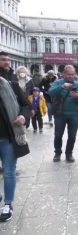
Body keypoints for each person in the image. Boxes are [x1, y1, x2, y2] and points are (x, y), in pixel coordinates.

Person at [0, 51, 31, 222]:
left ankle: (8, 204)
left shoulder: (12, 84)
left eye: (7, 60)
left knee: (9, 171)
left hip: (8, 135)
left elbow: (25, 104)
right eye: (3, 59)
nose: (6, 62)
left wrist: (23, 116)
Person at [48, 65, 78, 163]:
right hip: (60, 114)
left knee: (72, 136)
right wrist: (62, 86)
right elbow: (50, 92)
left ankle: (69, 153)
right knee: (58, 135)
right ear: (64, 74)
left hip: (73, 114)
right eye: (68, 74)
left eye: (72, 74)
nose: (70, 76)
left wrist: (77, 97)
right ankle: (57, 153)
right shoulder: (58, 82)